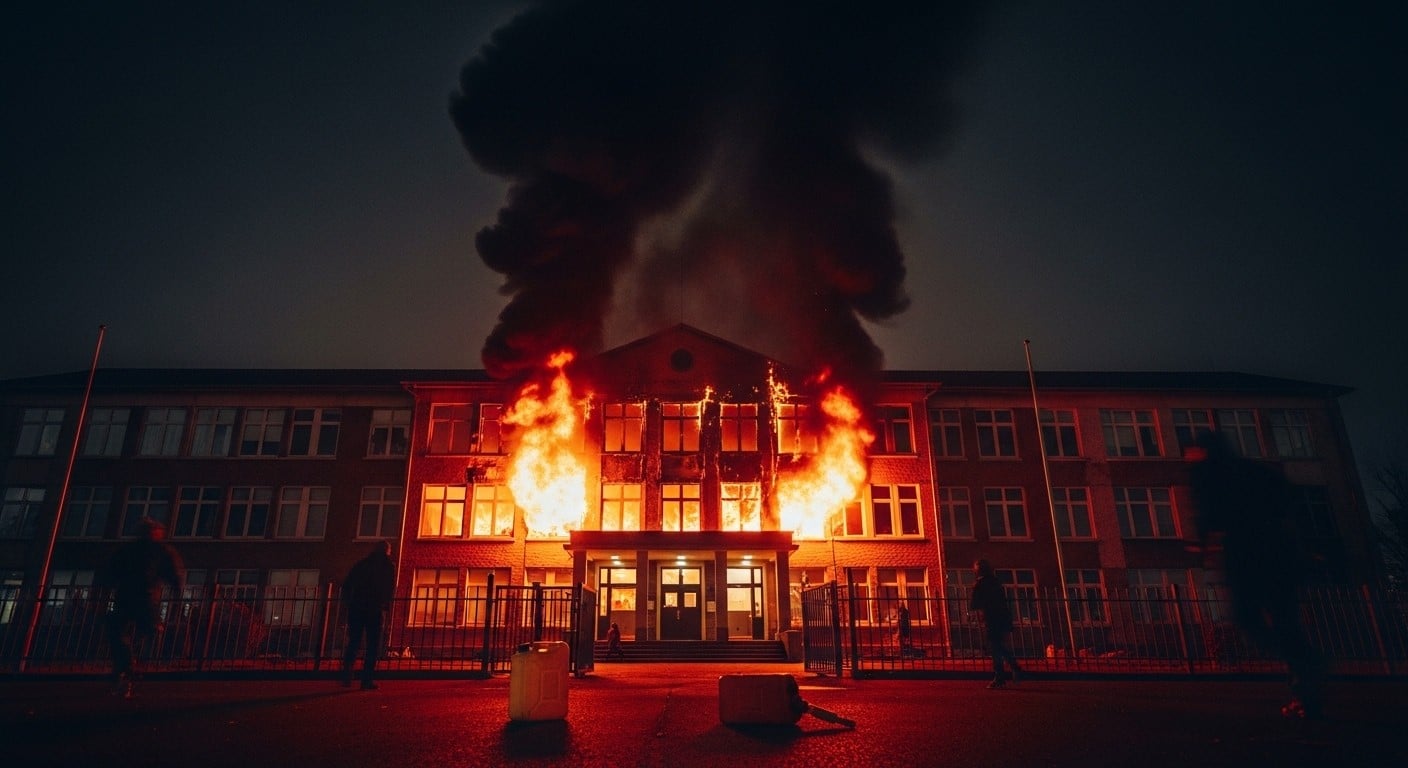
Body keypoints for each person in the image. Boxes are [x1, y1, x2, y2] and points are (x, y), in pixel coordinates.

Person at [1187, 430, 1326, 718]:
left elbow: (1206, 513)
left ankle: (1307, 663)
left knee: (1247, 618)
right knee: (1284, 620)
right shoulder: (1257, 471)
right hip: (1280, 554)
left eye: (1192, 451)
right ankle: (1306, 687)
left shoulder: (1207, 475)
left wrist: (1203, 546)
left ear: (1203, 451)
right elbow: (1290, 501)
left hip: (1246, 555)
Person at [100, 518, 184, 699]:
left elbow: (110, 571)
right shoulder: (161, 551)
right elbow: (174, 574)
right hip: (147, 599)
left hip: (126, 597)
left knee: (119, 632)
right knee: (146, 630)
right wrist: (176, 591)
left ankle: (125, 665)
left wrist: (106, 589)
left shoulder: (128, 550)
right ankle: (132, 662)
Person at [341, 540, 396, 690]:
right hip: (374, 608)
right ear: (387, 550)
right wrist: (385, 604)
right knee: (373, 645)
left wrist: (348, 602)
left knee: (354, 641)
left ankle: (347, 675)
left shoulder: (362, 564)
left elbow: (347, 584)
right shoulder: (388, 566)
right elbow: (389, 589)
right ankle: (366, 679)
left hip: (357, 607)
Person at [970, 559, 1020, 688]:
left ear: (978, 570)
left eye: (975, 568)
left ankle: (1000, 677)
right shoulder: (996, 581)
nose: (973, 570)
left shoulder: (980, 584)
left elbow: (975, 604)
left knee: (995, 647)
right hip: (1002, 617)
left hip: (990, 617)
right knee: (998, 645)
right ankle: (1014, 667)